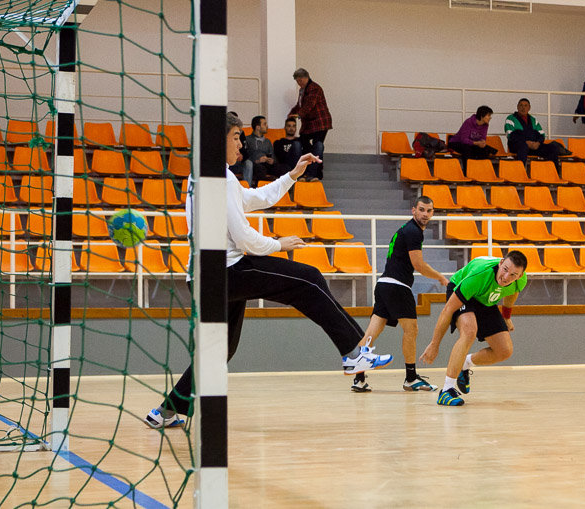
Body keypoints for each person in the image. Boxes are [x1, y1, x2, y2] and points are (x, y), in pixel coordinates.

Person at [144, 113, 392, 429]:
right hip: (226, 273)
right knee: (309, 279)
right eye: (236, 137)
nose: (241, 144)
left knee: (220, 350)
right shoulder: (219, 179)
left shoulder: (206, 176)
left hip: (206, 278)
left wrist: (292, 175)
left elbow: (255, 198)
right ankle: (354, 352)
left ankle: (165, 411)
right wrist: (278, 244)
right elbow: (244, 238)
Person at [350, 196, 450, 393]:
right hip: (397, 286)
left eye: (429, 210)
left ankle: (358, 378)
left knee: (371, 333)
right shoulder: (413, 231)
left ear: (433, 213)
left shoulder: (406, 230)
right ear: (414, 210)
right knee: (411, 330)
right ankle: (411, 378)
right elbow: (418, 265)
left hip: (383, 285)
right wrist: (440, 277)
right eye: (422, 209)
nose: (425, 214)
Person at [419, 251, 528, 407]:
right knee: (469, 332)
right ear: (501, 262)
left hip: (485, 298)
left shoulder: (520, 280)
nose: (506, 277)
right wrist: (434, 344)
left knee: (504, 351)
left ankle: (464, 363)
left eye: (513, 275)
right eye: (505, 269)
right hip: (462, 288)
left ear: (520, 275)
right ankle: (447, 390)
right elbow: (448, 310)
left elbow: (512, 292)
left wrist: (507, 316)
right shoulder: (479, 275)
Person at [288, 68, 331, 181]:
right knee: (308, 144)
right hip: (310, 124)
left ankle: (314, 173)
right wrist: (291, 114)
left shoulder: (314, 88)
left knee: (317, 146)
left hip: (320, 123)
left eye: (300, 80)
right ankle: (310, 172)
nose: (299, 83)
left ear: (306, 77)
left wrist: (298, 115)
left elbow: (309, 105)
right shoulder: (302, 90)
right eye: (297, 81)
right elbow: (300, 105)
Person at [504, 98, 566, 167]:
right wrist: (526, 142)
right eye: (521, 105)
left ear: (529, 108)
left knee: (552, 148)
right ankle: (520, 171)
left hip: (533, 147)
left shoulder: (533, 120)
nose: (523, 108)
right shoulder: (510, 119)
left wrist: (538, 143)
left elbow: (541, 134)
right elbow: (510, 135)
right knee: (523, 146)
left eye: (526, 105)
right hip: (517, 146)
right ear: (517, 107)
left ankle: (553, 172)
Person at [244, 115, 290, 185]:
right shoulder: (248, 139)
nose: (267, 126)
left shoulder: (267, 141)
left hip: (267, 164)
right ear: (258, 127)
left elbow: (273, 156)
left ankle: (286, 189)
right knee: (260, 169)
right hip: (255, 164)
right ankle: (260, 189)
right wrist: (257, 160)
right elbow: (245, 155)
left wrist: (272, 160)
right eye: (264, 124)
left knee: (285, 168)